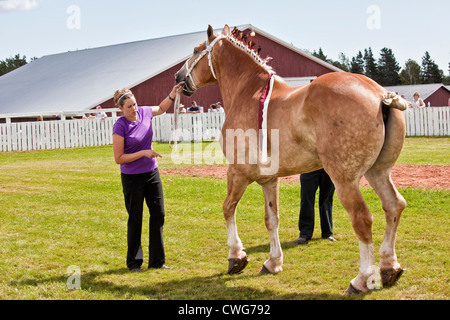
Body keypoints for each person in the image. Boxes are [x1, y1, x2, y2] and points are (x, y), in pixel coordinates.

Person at [112, 82, 184, 272]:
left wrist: (173, 94)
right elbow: (118, 158)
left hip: (151, 173)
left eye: (135, 104)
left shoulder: (144, 112)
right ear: (120, 109)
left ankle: (157, 262)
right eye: (129, 107)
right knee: (135, 218)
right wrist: (143, 152)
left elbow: (160, 108)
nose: (134, 109)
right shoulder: (120, 126)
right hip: (132, 178)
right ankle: (134, 263)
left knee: (158, 214)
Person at [296, 169, 336, 245]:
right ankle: (304, 234)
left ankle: (327, 233)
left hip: (328, 167)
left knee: (326, 200)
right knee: (306, 200)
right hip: (309, 166)